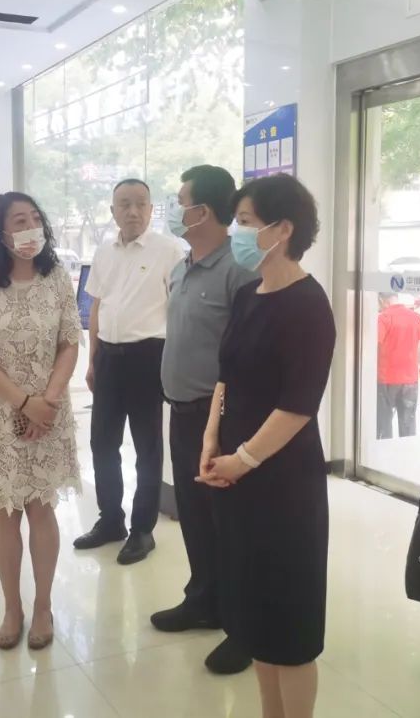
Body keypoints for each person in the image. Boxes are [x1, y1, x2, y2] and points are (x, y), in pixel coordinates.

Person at [197, 174, 335, 718]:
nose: (236, 232)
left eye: (246, 222)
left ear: (283, 229)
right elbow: (226, 376)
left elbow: (298, 405)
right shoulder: (247, 294)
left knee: (288, 626)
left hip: (283, 484)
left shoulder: (308, 305)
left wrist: (244, 458)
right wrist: (212, 436)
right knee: (254, 618)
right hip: (236, 476)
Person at [0, 192, 82, 651]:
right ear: (0, 232)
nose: (30, 227)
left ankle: (43, 605)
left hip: (50, 411)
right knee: (6, 511)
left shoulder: (57, 277)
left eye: (34, 218)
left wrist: (47, 401)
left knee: (42, 508)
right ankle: (13, 607)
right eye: (18, 220)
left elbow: (70, 341)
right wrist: (23, 402)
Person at [151, 165, 256, 675]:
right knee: (194, 515)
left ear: (204, 211)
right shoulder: (182, 267)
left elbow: (250, 355)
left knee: (230, 523)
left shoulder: (240, 269)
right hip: (181, 411)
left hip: (221, 419)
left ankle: (243, 626)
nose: (176, 211)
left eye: (181, 202)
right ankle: (203, 601)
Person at [75, 178, 185, 565]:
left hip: (148, 357)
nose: (133, 211)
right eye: (124, 204)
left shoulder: (169, 251)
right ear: (113, 211)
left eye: (140, 203)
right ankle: (110, 520)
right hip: (108, 357)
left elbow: (179, 311)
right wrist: (92, 360)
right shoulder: (104, 252)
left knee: (146, 448)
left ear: (152, 210)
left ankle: (142, 530)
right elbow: (97, 309)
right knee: (102, 444)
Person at [376, 292, 420, 439]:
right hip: (410, 381)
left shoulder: (383, 318)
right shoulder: (417, 317)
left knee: (384, 423)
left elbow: (376, 345)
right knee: (408, 424)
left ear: (382, 300)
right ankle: (406, 452)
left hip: (386, 379)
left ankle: (385, 452)